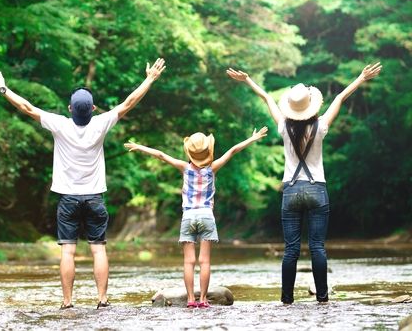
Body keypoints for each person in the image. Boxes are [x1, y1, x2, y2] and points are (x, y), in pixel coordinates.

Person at [0, 58, 166, 310]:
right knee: (98, 250)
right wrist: (150, 79)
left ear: (70, 108)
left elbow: (27, 107)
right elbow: (129, 102)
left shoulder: (59, 124)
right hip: (94, 198)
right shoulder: (101, 123)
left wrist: (2, 88)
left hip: (67, 199)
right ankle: (102, 300)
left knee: (67, 252)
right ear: (92, 109)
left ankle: (67, 303)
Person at [226, 63, 382, 305]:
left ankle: (287, 299)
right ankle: (322, 298)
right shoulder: (320, 127)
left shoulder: (283, 128)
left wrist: (247, 80)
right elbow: (340, 97)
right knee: (318, 247)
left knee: (291, 250)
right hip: (317, 189)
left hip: (290, 190)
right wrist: (361, 78)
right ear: (311, 106)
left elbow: (266, 97)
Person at [124, 126, 268, 308]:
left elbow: (161, 155)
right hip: (207, 216)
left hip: (189, 217)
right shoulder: (212, 168)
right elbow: (232, 151)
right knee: (205, 261)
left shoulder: (184, 168)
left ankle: (191, 300)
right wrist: (252, 138)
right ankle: (203, 300)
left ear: (189, 152)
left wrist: (140, 147)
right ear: (208, 151)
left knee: (188, 261)